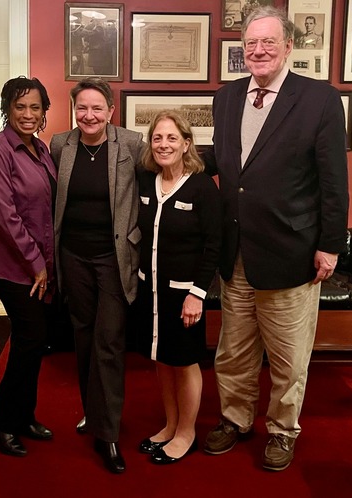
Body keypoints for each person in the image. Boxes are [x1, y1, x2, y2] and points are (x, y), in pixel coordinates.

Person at [202, 6, 348, 472]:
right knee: (234, 350)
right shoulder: (225, 99)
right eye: (250, 44)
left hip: (291, 252)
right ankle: (235, 419)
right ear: (241, 50)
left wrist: (329, 245)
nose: (258, 50)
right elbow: (228, 169)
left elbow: (333, 182)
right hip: (236, 252)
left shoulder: (320, 99)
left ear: (288, 47)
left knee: (288, 358)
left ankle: (283, 431)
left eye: (268, 42)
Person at [50, 77, 144, 474]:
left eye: (96, 108)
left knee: (109, 340)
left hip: (113, 257)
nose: (88, 115)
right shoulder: (60, 145)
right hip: (72, 256)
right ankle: (93, 414)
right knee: (84, 337)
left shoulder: (133, 144)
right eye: (82, 108)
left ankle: (108, 434)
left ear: (111, 111)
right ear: (75, 110)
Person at [0, 76, 56, 457]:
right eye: (20, 106)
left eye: (35, 107)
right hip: (9, 264)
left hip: (37, 264)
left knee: (34, 341)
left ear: (44, 112)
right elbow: (2, 216)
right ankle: (6, 421)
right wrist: (37, 264)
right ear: (7, 109)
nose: (28, 114)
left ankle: (23, 415)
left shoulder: (40, 148)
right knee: (29, 338)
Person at [136, 110, 221, 465]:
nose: (164, 144)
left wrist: (197, 294)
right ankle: (170, 425)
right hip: (150, 291)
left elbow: (214, 244)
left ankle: (187, 433)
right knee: (162, 358)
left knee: (185, 362)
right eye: (157, 138)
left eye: (172, 138)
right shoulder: (145, 180)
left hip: (185, 294)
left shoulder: (202, 187)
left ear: (187, 144)